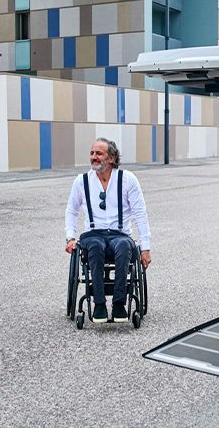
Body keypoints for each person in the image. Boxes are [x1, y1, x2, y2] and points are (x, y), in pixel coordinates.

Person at [65, 138, 151, 323]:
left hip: (120, 234)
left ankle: (119, 304)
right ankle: (99, 305)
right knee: (94, 246)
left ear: (111, 158)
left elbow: (140, 214)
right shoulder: (81, 182)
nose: (94, 157)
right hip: (92, 234)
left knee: (123, 247)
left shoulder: (128, 180)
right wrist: (70, 237)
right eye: (92, 153)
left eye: (99, 154)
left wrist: (145, 247)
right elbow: (71, 211)